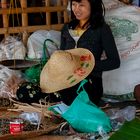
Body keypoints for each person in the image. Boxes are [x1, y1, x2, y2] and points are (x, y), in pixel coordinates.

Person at [58, 0, 120, 106]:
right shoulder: (67, 28)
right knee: (33, 92)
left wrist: (87, 67)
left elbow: (114, 62)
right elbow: (62, 56)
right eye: (74, 4)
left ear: (93, 6)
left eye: (81, 5)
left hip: (89, 82)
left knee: (73, 98)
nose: (76, 9)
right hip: (67, 80)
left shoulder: (101, 29)